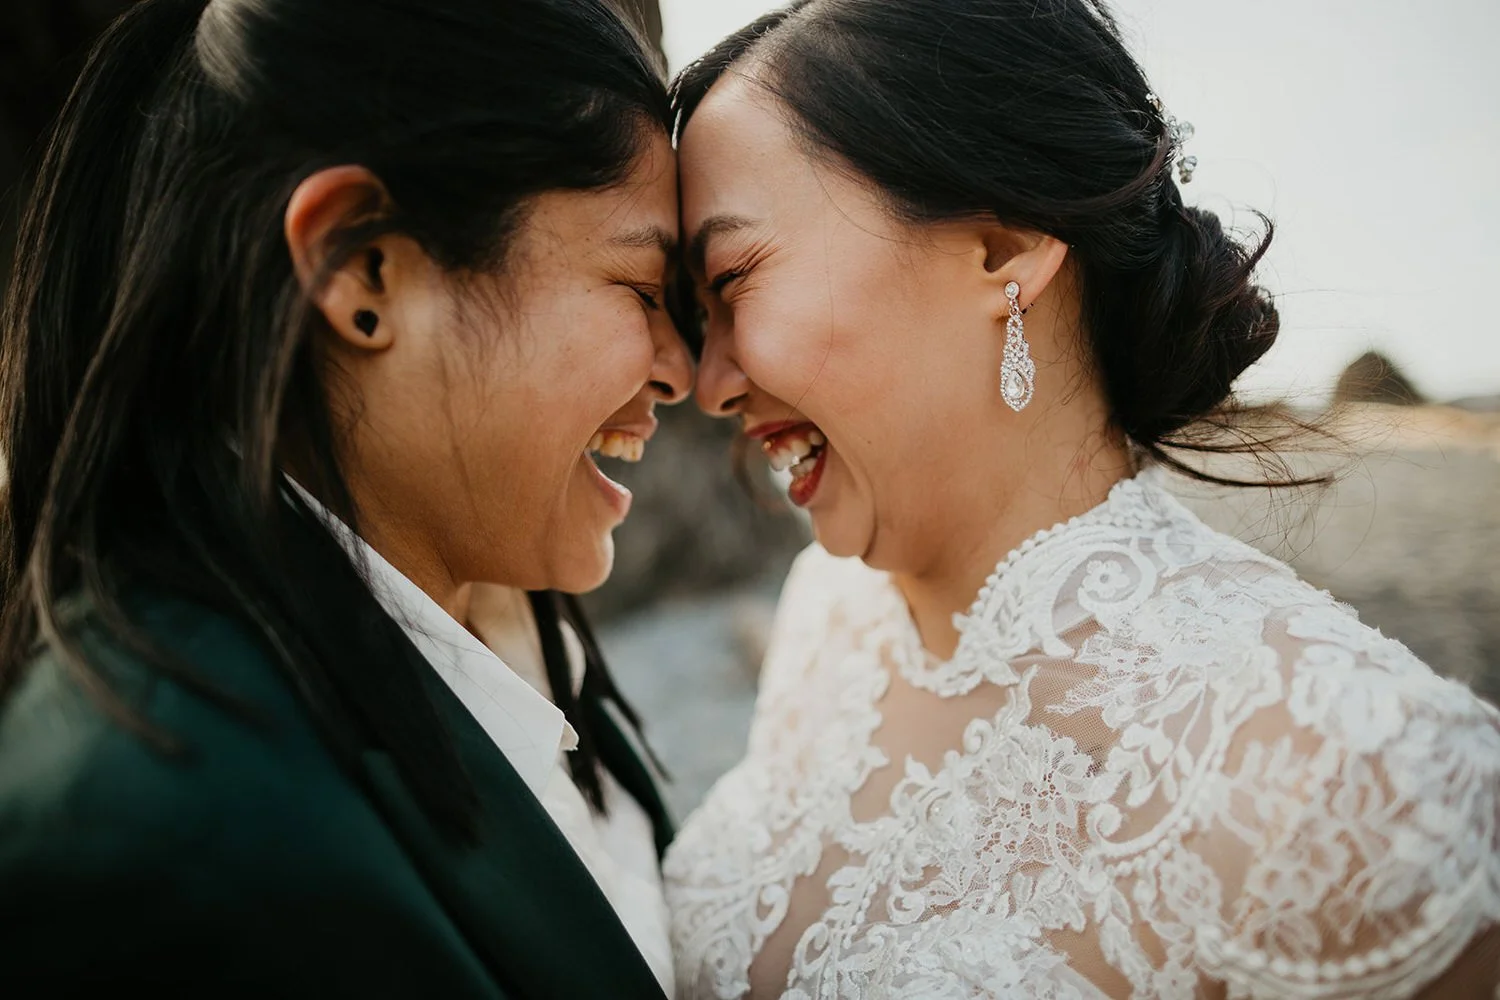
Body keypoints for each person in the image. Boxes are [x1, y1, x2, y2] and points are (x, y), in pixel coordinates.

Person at [661, 1, 1500, 997]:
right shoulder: (825, 616)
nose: (708, 382)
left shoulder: (1359, 777)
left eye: (735, 277)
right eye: (693, 315)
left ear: (1004, 249)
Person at [0, 0, 692, 996]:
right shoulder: (162, 828)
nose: (681, 369)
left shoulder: (501, 630)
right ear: (363, 269)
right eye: (639, 286)